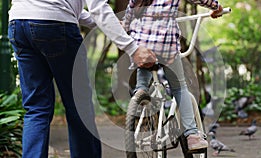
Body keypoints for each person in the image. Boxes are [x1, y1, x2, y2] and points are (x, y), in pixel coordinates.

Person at [8, 0, 157, 158]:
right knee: (78, 106)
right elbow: (97, 6)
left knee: (36, 109)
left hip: (18, 23)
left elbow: (71, 8)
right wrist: (133, 49)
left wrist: (107, 23)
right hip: (56, 26)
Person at [123, 0, 223, 151]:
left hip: (141, 48)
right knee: (179, 88)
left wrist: (124, 28)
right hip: (165, 47)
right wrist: (217, 8)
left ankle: (140, 95)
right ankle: (192, 136)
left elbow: (129, 14)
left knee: (142, 77)